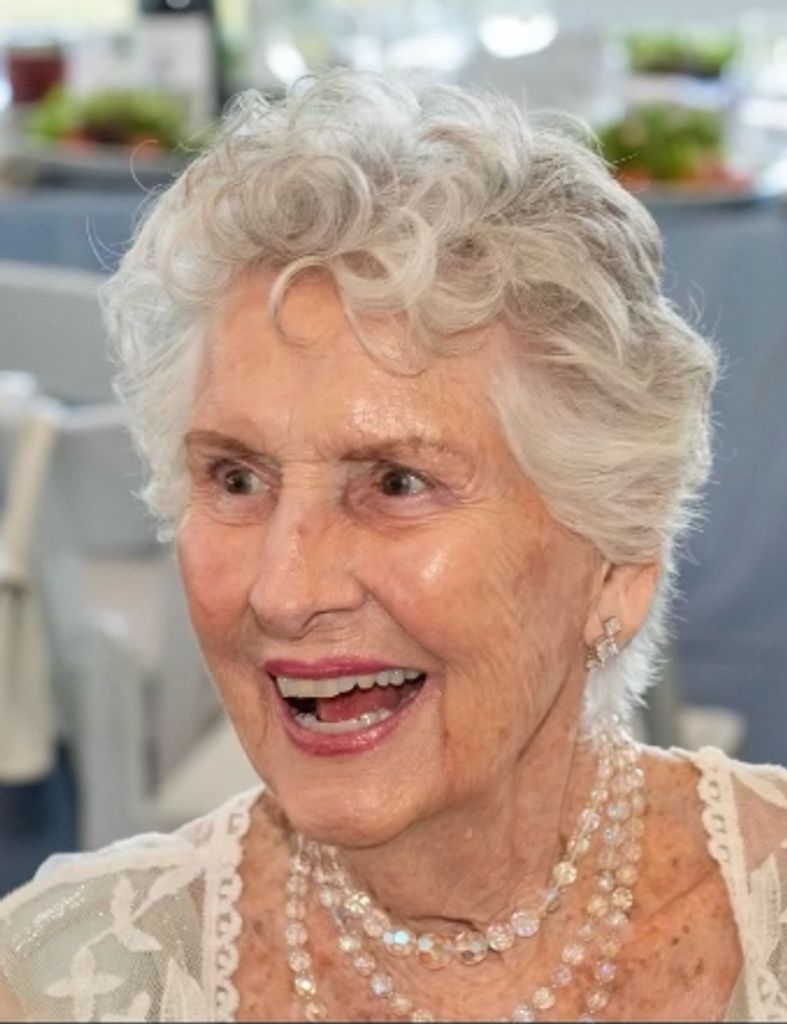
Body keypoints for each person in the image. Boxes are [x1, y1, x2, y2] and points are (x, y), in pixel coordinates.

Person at [1, 69, 785, 1023]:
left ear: (617, 561)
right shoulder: (63, 982)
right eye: (236, 479)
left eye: (396, 483)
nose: (284, 590)